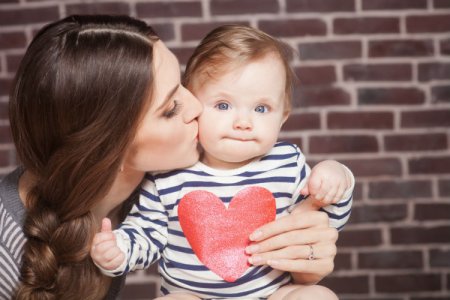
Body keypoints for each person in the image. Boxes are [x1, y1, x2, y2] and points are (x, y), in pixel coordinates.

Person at [91, 25, 354, 299]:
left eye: (261, 109)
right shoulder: (167, 176)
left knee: (318, 295)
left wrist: (336, 180)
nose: (243, 123)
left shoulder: (286, 163)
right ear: (195, 105)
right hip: (194, 295)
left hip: (271, 294)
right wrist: (119, 249)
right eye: (223, 105)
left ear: (283, 116)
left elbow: (321, 224)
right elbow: (147, 232)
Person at [0, 14, 203, 300]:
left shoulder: (157, 185)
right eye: (170, 109)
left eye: (183, 84)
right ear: (107, 150)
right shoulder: (5, 257)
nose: (197, 106)